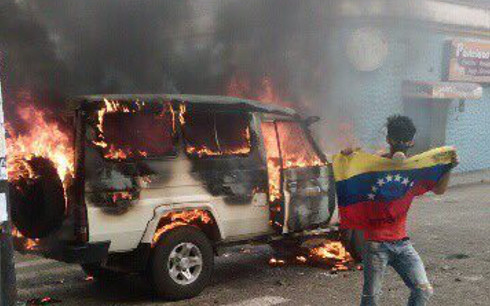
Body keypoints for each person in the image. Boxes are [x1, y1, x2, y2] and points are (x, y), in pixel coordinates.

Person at [342, 115, 458, 306]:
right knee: (371, 298)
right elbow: (348, 171)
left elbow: (439, 190)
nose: (401, 144)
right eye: (397, 139)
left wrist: (448, 168)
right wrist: (348, 155)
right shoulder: (373, 165)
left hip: (402, 243)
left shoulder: (414, 168)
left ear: (411, 142)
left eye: (405, 139)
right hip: (375, 244)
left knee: (423, 290)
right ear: (389, 140)